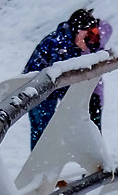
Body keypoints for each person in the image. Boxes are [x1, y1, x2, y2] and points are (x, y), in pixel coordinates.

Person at [23, 8, 111, 149]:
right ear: (77, 30)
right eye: (87, 35)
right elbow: (64, 76)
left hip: (54, 86)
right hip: (37, 87)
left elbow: (105, 29)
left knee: (58, 127)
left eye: (93, 34)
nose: (90, 40)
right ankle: (41, 157)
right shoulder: (59, 45)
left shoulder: (75, 43)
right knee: (43, 128)